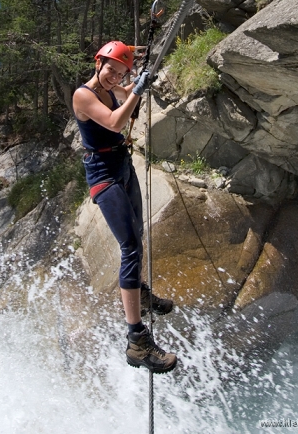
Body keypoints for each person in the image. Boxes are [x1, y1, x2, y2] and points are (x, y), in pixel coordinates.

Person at [72, 41, 177, 374]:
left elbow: (126, 89)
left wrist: (135, 61)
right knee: (131, 247)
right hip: (104, 174)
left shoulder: (111, 84)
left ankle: (140, 294)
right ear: (97, 63)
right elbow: (116, 122)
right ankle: (136, 340)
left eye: (118, 72)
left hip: (122, 166)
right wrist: (136, 86)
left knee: (138, 233)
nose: (113, 77)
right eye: (109, 69)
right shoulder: (83, 95)